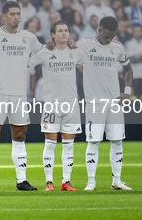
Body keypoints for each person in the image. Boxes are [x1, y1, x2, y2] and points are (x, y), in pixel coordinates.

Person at [0, 0, 42, 191]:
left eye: (18, 13)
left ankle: (21, 180)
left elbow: (42, 53)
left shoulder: (28, 37)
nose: (16, 17)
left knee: (20, 134)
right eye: (12, 14)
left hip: (18, 93)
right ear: (4, 16)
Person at [77, 16, 133, 191]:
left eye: (113, 36)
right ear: (99, 30)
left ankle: (117, 181)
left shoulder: (117, 47)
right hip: (94, 102)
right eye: (107, 35)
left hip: (115, 102)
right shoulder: (84, 44)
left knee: (117, 141)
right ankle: (91, 181)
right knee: (93, 142)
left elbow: (129, 69)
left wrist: (127, 92)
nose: (110, 39)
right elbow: (69, 55)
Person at [27, 21, 82, 192]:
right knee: (50, 143)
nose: (64, 34)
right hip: (52, 104)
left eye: (66, 30)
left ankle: (66, 181)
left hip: (71, 104)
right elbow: (25, 64)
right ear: (53, 34)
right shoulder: (44, 52)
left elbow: (86, 69)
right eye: (60, 31)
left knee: (69, 145)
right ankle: (49, 182)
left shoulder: (76, 52)